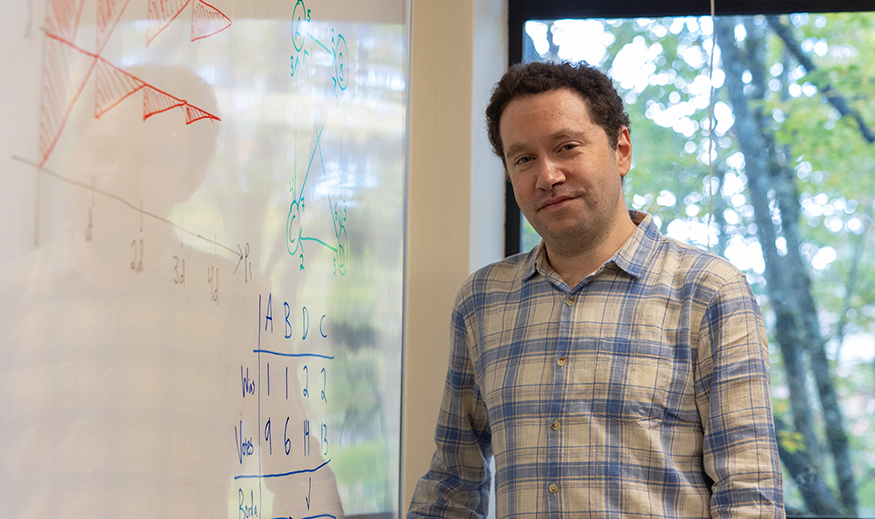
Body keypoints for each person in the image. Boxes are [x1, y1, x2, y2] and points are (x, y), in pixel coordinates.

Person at [407, 61, 784, 518]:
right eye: (523, 159)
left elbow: (750, 495)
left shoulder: (708, 291)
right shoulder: (482, 299)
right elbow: (451, 484)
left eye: (566, 147)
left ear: (621, 149)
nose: (547, 175)